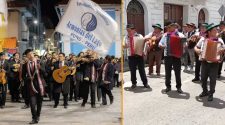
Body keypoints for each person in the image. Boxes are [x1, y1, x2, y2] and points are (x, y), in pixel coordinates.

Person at [195, 23, 225, 101]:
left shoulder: (219, 40)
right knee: (203, 79)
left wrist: (222, 50)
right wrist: (197, 50)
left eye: (216, 30)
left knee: (212, 79)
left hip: (214, 63)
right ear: (209, 32)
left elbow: (223, 48)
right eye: (214, 30)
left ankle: (211, 93)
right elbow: (196, 47)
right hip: (204, 61)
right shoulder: (203, 39)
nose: (216, 31)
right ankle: (205, 91)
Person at [159, 22, 185, 93]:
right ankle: (168, 86)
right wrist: (161, 45)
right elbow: (160, 43)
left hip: (176, 56)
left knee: (177, 72)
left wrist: (184, 45)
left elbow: (184, 43)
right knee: (168, 73)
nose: (171, 28)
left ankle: (179, 87)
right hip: (167, 56)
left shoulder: (180, 35)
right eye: (170, 27)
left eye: (173, 26)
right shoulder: (165, 35)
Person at [22, 49, 45, 124]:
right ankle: (34, 118)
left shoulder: (40, 62)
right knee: (32, 103)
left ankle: (38, 115)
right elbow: (23, 76)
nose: (31, 55)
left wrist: (40, 68)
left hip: (40, 85)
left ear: (33, 54)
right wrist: (29, 78)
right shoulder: (25, 65)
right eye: (29, 55)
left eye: (31, 54)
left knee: (39, 103)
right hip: (31, 86)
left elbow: (46, 74)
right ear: (27, 56)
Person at [123, 24, 150, 89]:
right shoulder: (126, 37)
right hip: (131, 56)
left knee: (142, 70)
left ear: (134, 30)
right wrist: (125, 45)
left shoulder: (139, 36)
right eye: (127, 30)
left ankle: (145, 83)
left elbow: (144, 43)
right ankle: (134, 83)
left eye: (129, 30)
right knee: (132, 70)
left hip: (139, 55)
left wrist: (144, 50)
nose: (128, 32)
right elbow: (123, 45)